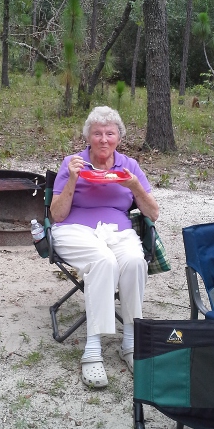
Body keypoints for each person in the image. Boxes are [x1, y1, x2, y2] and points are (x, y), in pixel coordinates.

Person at [50, 106, 159, 388]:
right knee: (104, 261)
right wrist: (73, 179)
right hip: (75, 230)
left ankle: (131, 342)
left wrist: (135, 186)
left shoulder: (129, 166)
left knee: (134, 261)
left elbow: (153, 213)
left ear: (118, 137)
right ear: (88, 137)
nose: (103, 139)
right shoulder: (72, 163)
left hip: (117, 231)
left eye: (110, 133)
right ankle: (93, 348)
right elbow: (57, 215)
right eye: (97, 133)